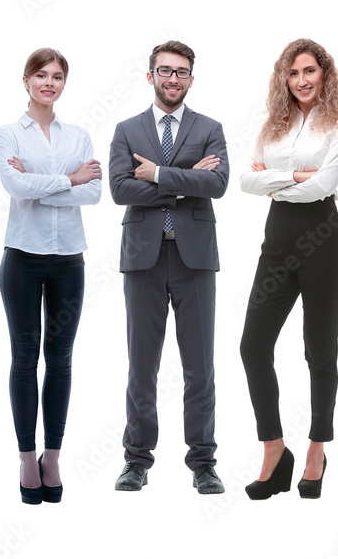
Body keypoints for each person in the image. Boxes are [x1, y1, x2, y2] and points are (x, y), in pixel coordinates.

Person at [108, 40, 229, 494]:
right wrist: (185, 181)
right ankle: (136, 459)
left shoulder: (210, 127)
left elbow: (216, 184)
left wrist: (156, 175)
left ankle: (203, 462)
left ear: (191, 79)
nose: (173, 78)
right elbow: (120, 189)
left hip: (194, 257)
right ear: (151, 76)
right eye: (165, 71)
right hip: (142, 257)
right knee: (143, 365)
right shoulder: (127, 130)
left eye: (181, 72)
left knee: (200, 367)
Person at [238, 38, 338, 500]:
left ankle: (316, 448)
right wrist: (299, 177)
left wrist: (282, 181)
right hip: (277, 240)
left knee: (319, 351)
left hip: (324, 240)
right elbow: (246, 181)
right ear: (283, 79)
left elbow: (324, 185)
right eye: (293, 73)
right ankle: (274, 448)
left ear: (323, 73)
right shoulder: (273, 126)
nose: (302, 81)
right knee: (252, 345)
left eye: (309, 71)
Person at [0, 48, 102, 505]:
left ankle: (52, 456)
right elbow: (15, 187)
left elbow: (95, 192)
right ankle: (25, 457)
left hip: (69, 260)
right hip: (22, 257)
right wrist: (68, 180)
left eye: (57, 77)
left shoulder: (78, 135)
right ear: (26, 80)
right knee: (24, 359)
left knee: (60, 360)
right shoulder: (5, 135)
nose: (49, 83)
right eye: (41, 75)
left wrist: (53, 182)